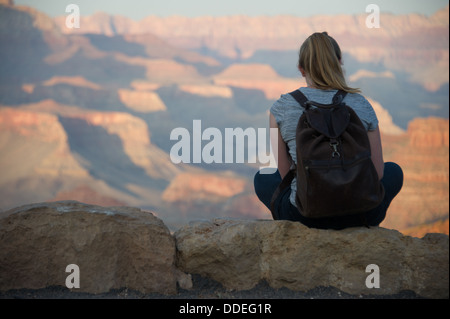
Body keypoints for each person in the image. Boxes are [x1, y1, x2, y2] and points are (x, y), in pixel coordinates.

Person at [254, 32, 403, 230]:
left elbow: (284, 174)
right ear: (340, 61)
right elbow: (377, 171)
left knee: (262, 179)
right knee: (394, 171)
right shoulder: (361, 103)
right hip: (361, 214)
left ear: (301, 69)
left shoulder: (280, 108)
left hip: (306, 215)